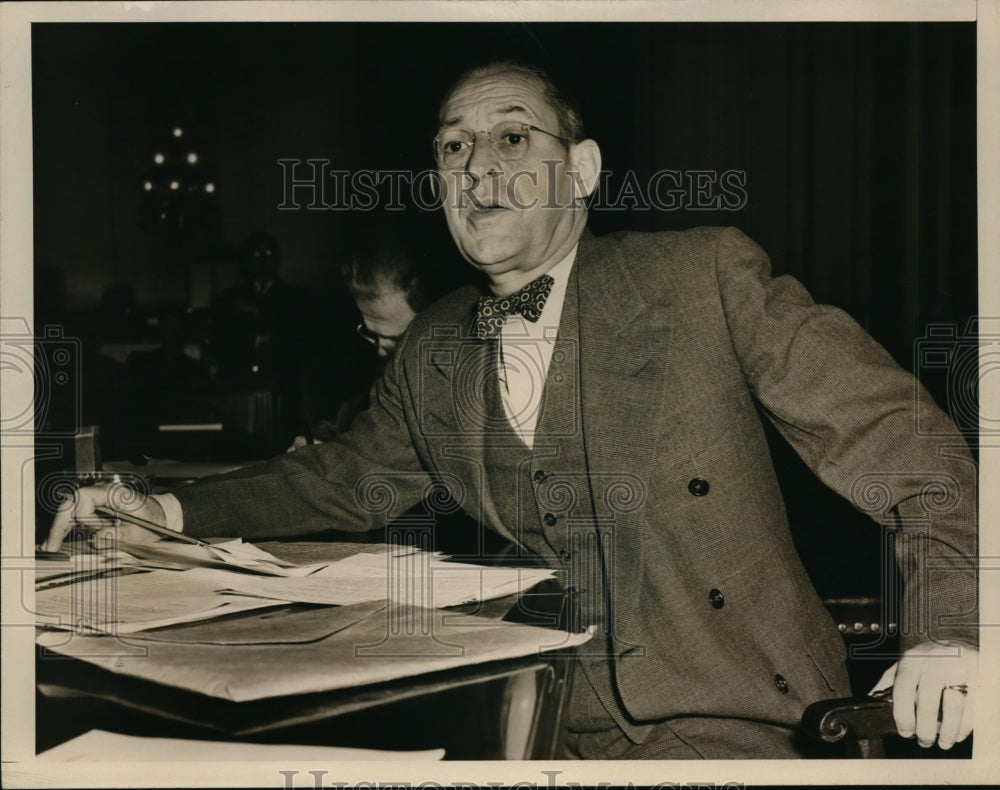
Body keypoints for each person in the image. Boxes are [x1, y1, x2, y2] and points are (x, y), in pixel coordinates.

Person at [44, 61, 977, 759]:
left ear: (584, 170)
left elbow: (913, 450)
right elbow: (338, 478)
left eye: (513, 137)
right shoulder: (435, 344)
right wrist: (158, 511)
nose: (476, 166)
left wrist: (949, 630)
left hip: (732, 715)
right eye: (453, 147)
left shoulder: (703, 277)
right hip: (526, 712)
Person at [289, 227, 444, 448]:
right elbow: (359, 411)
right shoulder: (389, 369)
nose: (380, 350)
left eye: (393, 339)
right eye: (371, 333)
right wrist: (323, 438)